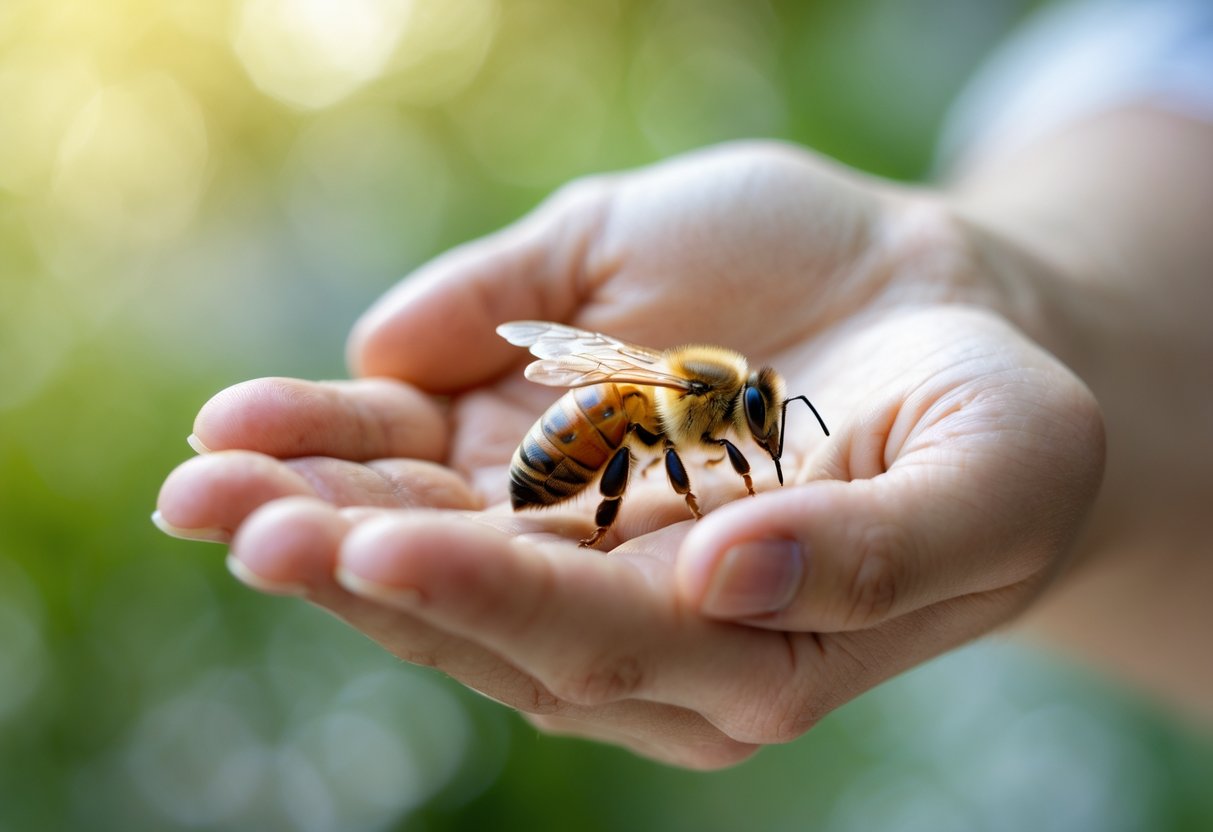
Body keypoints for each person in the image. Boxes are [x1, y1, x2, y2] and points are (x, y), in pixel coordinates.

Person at [154, 0, 1213, 768]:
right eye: (752, 419)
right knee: (625, 439)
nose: (757, 429)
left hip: (583, 430)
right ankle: (586, 511)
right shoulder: (691, 396)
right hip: (576, 439)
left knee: (632, 439)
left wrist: (993, 297)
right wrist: (1013, 294)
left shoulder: (712, 389)